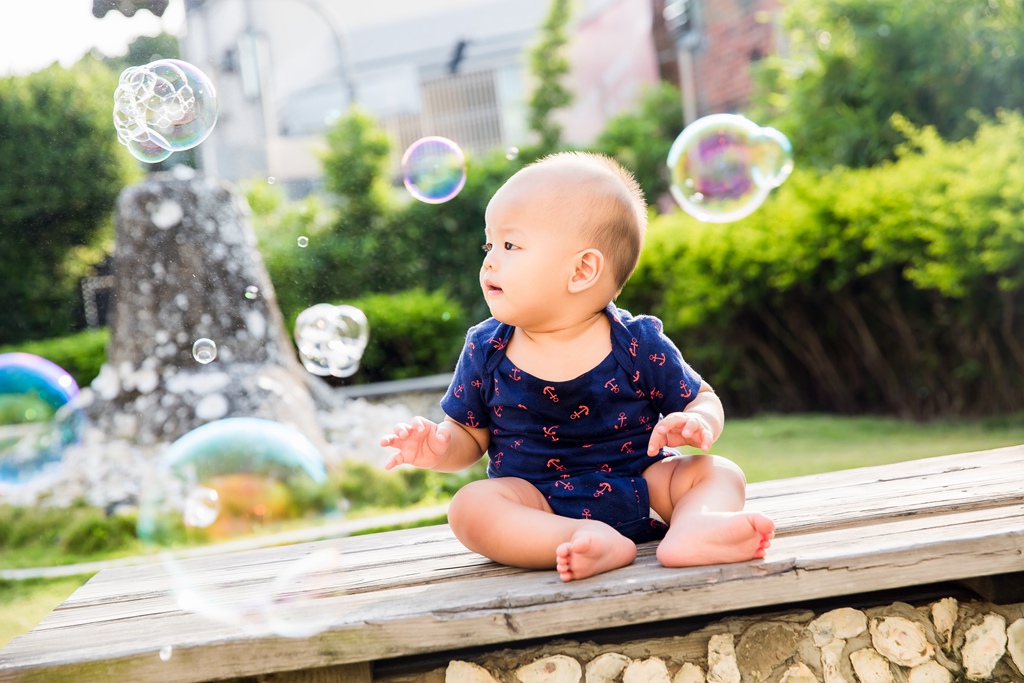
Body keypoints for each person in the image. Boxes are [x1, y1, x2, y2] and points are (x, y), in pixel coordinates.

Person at [380, 151, 775, 582]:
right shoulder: (486, 348)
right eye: (488, 245)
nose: (489, 261)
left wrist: (698, 421)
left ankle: (695, 528)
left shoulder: (636, 342)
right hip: (537, 503)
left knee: (717, 472)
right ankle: (583, 539)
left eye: (510, 245)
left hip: (644, 486)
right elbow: (469, 437)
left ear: (582, 270)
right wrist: (439, 447)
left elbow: (703, 398)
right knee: (470, 507)